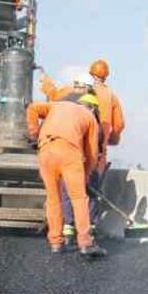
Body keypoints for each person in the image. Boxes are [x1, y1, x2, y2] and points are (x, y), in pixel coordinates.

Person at [40, 59, 126, 241]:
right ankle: (90, 227)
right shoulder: (111, 96)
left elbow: (54, 96)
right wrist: (110, 141)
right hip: (97, 152)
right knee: (91, 188)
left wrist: (45, 82)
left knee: (67, 188)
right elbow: (118, 126)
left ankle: (69, 225)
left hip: (73, 149)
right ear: (106, 76)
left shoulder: (76, 89)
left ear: (90, 73)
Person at [25, 95, 106, 258]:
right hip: (69, 153)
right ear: (93, 108)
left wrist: (34, 132)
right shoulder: (90, 117)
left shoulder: (56, 105)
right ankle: (85, 242)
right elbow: (91, 152)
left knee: (53, 199)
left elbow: (32, 108)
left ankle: (56, 242)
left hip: (46, 150)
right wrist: (87, 174)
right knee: (79, 198)